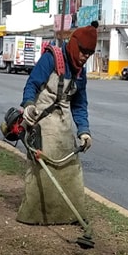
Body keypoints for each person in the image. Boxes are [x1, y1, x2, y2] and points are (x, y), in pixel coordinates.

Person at [15, 22, 97, 226]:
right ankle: (34, 216)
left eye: (89, 53)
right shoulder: (52, 58)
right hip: (41, 122)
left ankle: (68, 215)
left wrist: (84, 131)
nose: (85, 57)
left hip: (63, 125)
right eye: (83, 52)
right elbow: (32, 84)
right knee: (43, 169)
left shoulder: (81, 73)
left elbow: (79, 104)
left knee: (71, 168)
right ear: (74, 45)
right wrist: (28, 105)